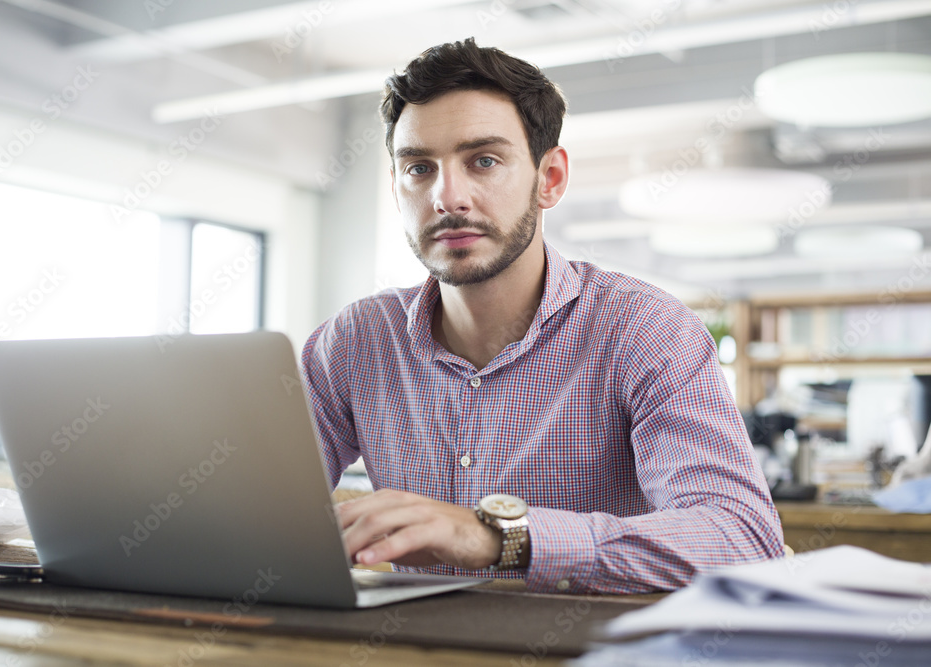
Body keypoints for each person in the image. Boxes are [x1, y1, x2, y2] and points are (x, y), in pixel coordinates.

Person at [300, 37, 785, 594]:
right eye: (418, 168)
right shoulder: (355, 340)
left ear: (549, 179)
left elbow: (743, 540)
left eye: (483, 161)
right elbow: (257, 502)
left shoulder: (646, 329)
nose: (447, 196)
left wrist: (499, 537)